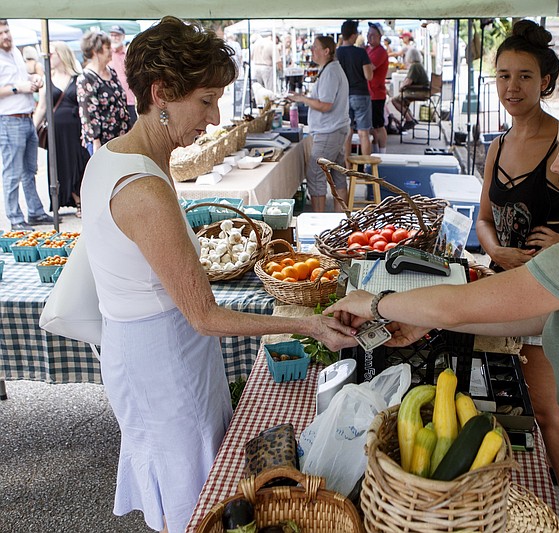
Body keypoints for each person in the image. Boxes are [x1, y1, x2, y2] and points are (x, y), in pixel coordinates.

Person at [328, 84, 559, 531]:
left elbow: (460, 305)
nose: (556, 166)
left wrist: (377, 303)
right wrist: (416, 321)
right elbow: (536, 314)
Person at [80, 17, 357, 533]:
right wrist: (308, 324)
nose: (215, 116)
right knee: (192, 499)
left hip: (144, 349)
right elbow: (204, 316)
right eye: (206, 100)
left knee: (183, 483)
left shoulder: (113, 159)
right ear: (160, 94)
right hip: (164, 363)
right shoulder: (144, 187)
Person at [475, 20, 559, 515]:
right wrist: (497, 253)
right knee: (491, 405)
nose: (512, 87)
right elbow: (484, 219)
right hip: (499, 284)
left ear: (546, 81)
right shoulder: (496, 146)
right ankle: (501, 505)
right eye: (504, 75)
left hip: (544, 292)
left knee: (549, 415)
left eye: (526, 76)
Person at [287, 35, 350, 213]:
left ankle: (319, 221)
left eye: (315, 47)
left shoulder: (330, 71)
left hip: (329, 130)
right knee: (337, 174)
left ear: (326, 51)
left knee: (315, 173)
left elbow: (325, 104)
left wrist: (302, 99)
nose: (312, 51)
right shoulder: (331, 69)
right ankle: (340, 219)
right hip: (335, 128)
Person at [0, 19, 52, 231]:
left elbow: (21, 78)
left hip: (26, 116)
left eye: (6, 31)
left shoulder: (14, 54)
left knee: (30, 170)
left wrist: (34, 80)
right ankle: (14, 217)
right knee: (12, 172)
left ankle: (35, 212)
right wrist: (18, 88)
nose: (6, 36)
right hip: (9, 118)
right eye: (1, 33)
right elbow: (11, 86)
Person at [32, 41, 90, 217]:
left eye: (52, 53)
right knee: (61, 165)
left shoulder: (78, 77)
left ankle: (81, 200)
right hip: (56, 132)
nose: (48, 57)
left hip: (76, 129)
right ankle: (66, 200)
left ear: (62, 54)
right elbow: (42, 107)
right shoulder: (47, 79)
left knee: (79, 164)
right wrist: (32, 130)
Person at [77, 30, 129, 156]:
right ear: (96, 51)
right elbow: (89, 114)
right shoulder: (86, 78)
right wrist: (96, 142)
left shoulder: (111, 71)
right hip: (102, 142)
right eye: (107, 48)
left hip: (120, 136)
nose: (111, 50)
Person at [336, 20, 373, 156]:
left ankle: (347, 167)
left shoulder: (336, 54)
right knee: (364, 133)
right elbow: (368, 76)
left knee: (347, 132)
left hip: (343, 96)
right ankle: (365, 169)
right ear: (353, 35)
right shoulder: (361, 53)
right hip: (361, 94)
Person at [390, 47, 427, 130]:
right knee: (402, 100)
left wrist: (401, 87)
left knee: (394, 100)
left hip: (418, 92)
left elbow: (408, 81)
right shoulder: (418, 65)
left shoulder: (414, 66)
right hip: (422, 91)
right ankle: (411, 118)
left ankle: (409, 119)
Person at [366, 22, 388, 154]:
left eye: (373, 35)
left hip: (376, 93)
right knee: (372, 126)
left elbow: (370, 68)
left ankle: (383, 153)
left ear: (380, 36)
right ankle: (375, 152)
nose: (370, 37)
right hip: (369, 93)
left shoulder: (380, 51)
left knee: (379, 126)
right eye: (368, 34)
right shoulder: (368, 49)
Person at [108, 25, 137, 125]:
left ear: (123, 37)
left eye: (117, 35)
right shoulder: (107, 55)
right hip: (113, 103)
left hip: (130, 101)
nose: (115, 38)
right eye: (112, 35)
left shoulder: (129, 54)